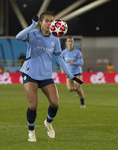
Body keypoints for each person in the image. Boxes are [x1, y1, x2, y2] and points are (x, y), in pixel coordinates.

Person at [16, 11, 83, 142]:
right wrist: (32, 26)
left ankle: (48, 122)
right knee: (33, 105)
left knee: (55, 103)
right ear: (40, 22)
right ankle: (31, 131)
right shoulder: (32, 34)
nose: (49, 24)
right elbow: (18, 36)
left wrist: (71, 75)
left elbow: (59, 58)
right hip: (30, 73)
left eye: (51, 21)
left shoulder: (55, 39)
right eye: (46, 21)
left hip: (46, 75)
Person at [61, 37, 86, 108]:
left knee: (79, 87)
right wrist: (63, 69)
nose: (70, 42)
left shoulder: (77, 52)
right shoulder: (64, 52)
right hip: (69, 73)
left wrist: (74, 62)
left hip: (78, 72)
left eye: (71, 41)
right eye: (69, 41)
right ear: (66, 42)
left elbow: (81, 62)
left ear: (73, 42)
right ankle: (77, 91)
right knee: (70, 89)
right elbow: (62, 62)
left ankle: (82, 104)